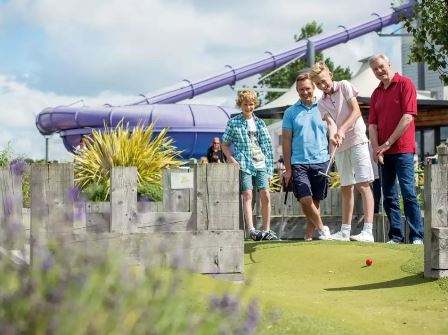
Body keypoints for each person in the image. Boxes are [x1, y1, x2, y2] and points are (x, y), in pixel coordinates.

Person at [310, 61, 375, 243]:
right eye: (319, 84)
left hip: (357, 139)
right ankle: (345, 232)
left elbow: (356, 112)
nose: (323, 85)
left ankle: (368, 231)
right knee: (346, 186)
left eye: (324, 81)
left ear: (330, 74)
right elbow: (330, 124)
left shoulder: (345, 86)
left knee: (363, 184)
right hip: (340, 145)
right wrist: (333, 136)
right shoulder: (321, 103)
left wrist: (342, 129)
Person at [368, 53, 424, 244]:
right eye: (375, 69)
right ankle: (396, 237)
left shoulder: (405, 84)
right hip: (384, 153)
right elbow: (372, 125)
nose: (379, 71)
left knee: (408, 193)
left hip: (402, 150)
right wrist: (377, 149)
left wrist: (387, 144)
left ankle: (417, 236)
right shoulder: (376, 93)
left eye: (381, 66)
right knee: (389, 196)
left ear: (389, 63)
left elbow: (408, 117)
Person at [221, 90, 278, 241]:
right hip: (244, 163)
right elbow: (224, 144)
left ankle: (266, 230)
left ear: (255, 105)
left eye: (251, 104)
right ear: (240, 104)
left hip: (260, 163)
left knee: (265, 194)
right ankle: (252, 230)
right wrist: (231, 158)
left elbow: (267, 148)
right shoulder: (234, 123)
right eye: (245, 104)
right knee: (247, 194)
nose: (248, 107)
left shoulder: (260, 123)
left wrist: (270, 169)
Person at [282, 73, 332, 241]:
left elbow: (332, 128)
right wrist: (288, 168)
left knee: (315, 200)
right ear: (297, 90)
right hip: (299, 163)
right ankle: (322, 228)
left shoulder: (324, 106)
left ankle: (309, 235)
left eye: (307, 88)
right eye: (301, 89)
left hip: (321, 160)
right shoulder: (290, 112)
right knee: (305, 199)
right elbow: (286, 141)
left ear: (314, 88)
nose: (305, 92)